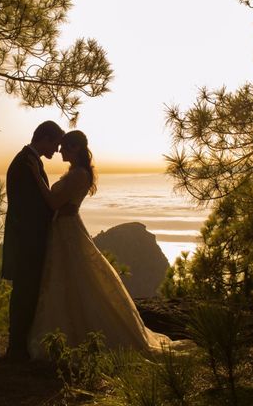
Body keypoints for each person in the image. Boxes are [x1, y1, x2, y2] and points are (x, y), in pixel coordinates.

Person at [26, 130, 186, 359]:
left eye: (64, 147)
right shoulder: (76, 173)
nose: (59, 151)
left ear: (75, 148)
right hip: (64, 229)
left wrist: (37, 178)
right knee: (69, 279)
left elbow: (53, 202)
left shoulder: (79, 175)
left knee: (79, 279)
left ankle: (84, 334)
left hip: (68, 230)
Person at [1, 120, 65, 362]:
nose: (57, 150)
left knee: (26, 293)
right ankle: (16, 349)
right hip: (27, 243)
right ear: (45, 138)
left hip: (28, 241)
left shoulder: (30, 161)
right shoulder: (24, 164)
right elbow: (30, 209)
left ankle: (19, 346)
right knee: (24, 294)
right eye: (56, 144)